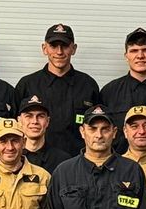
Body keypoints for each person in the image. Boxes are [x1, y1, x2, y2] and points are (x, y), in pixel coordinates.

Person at [13, 23, 101, 159]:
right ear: (44, 48)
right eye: (53, 46)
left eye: (64, 46)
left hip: (78, 162)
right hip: (33, 162)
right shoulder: (27, 84)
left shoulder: (88, 85)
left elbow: (98, 127)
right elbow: (14, 128)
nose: (59, 52)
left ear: (74, 49)